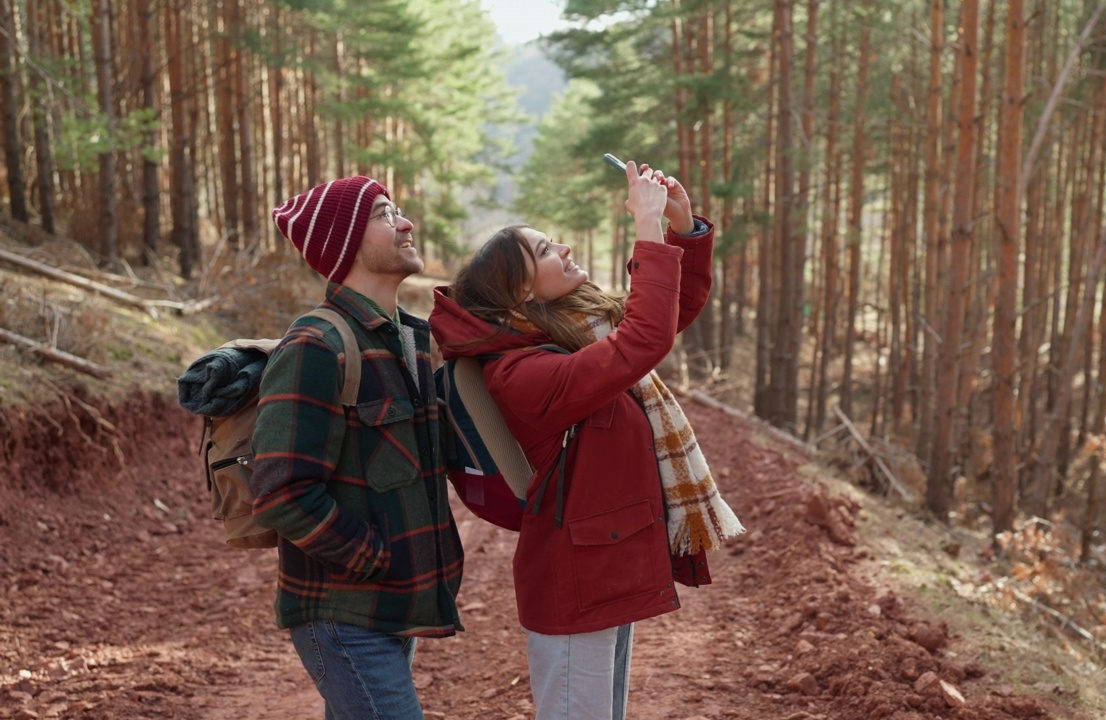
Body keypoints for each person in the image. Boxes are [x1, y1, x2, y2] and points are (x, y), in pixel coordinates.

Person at [429, 161, 744, 719]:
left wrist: (681, 227)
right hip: (575, 580)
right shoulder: (520, 374)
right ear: (521, 292)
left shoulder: (570, 337)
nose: (566, 248)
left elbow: (663, 315)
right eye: (547, 249)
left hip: (602, 567)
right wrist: (645, 228)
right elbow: (642, 342)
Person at [250, 175, 463, 720]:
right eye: (385, 214)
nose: (406, 223)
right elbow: (280, 491)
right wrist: (374, 557)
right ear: (344, 241)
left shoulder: (411, 342)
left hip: (392, 608)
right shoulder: (316, 346)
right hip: (342, 613)